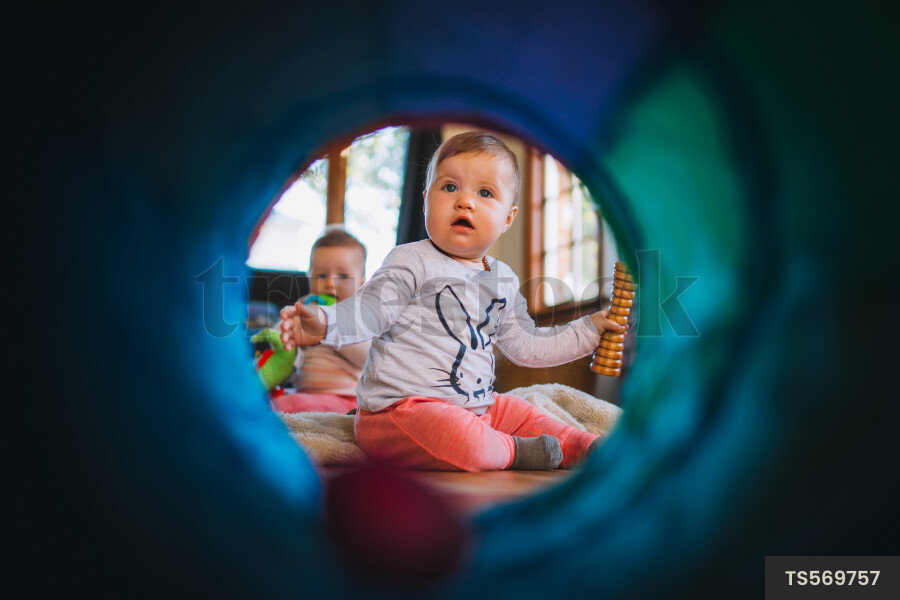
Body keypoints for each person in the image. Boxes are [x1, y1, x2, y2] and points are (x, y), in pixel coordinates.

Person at [280, 131, 623, 470]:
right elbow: (369, 310)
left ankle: (584, 446)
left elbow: (528, 345)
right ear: (427, 199)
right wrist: (325, 322)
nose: (465, 201)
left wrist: (588, 331)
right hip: (399, 412)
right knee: (463, 439)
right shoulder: (411, 259)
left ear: (508, 218)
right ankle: (514, 451)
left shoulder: (503, 279)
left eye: (485, 192)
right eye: (450, 187)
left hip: (477, 408)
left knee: (523, 412)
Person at [269, 226, 371, 414]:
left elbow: (368, 356)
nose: (330, 283)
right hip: (305, 394)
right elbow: (277, 345)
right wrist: (285, 326)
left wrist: (326, 328)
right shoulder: (305, 309)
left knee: (280, 406)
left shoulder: (359, 316)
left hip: (348, 401)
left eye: (343, 276)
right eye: (322, 275)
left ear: (361, 283)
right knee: (268, 397)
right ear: (309, 276)